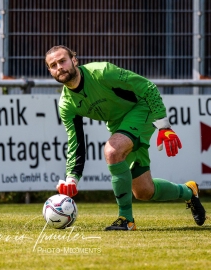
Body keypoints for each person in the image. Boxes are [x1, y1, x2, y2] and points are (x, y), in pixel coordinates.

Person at [45, 45, 206, 231]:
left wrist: (164, 126)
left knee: (112, 150)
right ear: (50, 71)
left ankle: (126, 220)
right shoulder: (66, 104)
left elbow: (147, 87)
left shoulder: (102, 72)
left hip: (141, 109)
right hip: (118, 124)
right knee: (144, 191)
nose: (59, 67)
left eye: (62, 61)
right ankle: (189, 191)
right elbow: (76, 142)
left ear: (74, 60)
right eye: (53, 65)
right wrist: (72, 178)